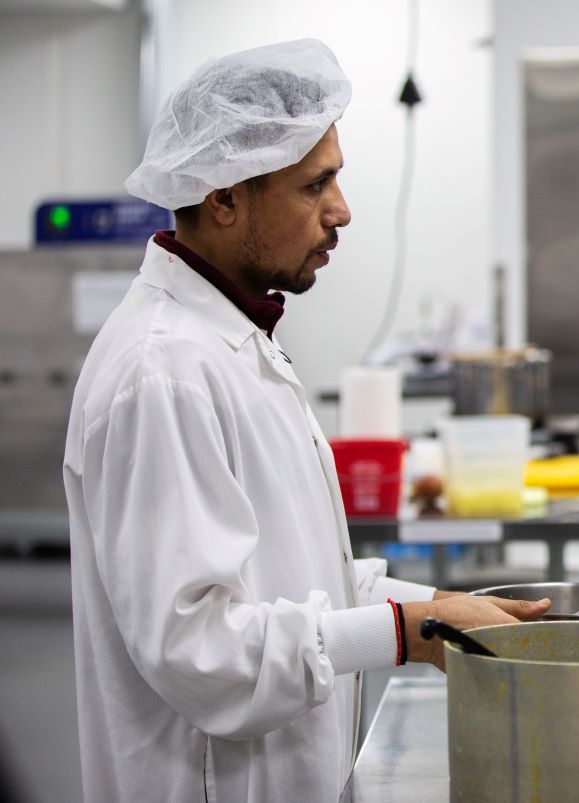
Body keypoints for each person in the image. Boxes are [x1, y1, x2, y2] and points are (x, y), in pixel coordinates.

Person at [63, 39, 549, 802]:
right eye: (313, 184)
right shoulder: (163, 374)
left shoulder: (234, 342)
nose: (342, 210)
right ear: (224, 197)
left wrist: (451, 610)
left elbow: (297, 576)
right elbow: (198, 648)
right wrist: (408, 629)